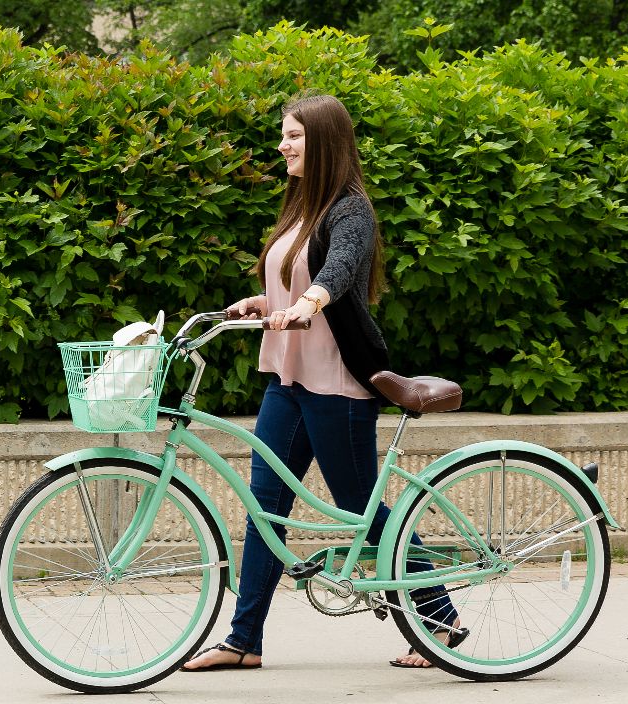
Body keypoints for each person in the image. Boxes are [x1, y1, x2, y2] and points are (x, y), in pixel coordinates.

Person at [180, 94, 460, 672]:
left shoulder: (349, 208)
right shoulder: (300, 208)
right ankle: (243, 641)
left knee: (362, 507)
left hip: (336, 381)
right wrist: (263, 303)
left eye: (293, 136)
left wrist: (308, 302)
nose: (282, 146)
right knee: (267, 509)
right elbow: (294, 279)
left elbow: (340, 269)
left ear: (325, 141)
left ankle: (440, 620)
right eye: (284, 136)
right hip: (288, 378)